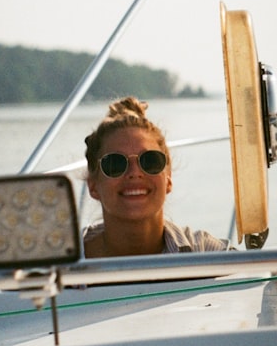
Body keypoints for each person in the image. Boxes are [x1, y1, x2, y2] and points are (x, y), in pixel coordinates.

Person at [82, 96, 229, 257]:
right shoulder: (59, 263)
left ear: (168, 179)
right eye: (115, 164)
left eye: (150, 161)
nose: (134, 173)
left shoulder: (207, 254)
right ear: (93, 186)